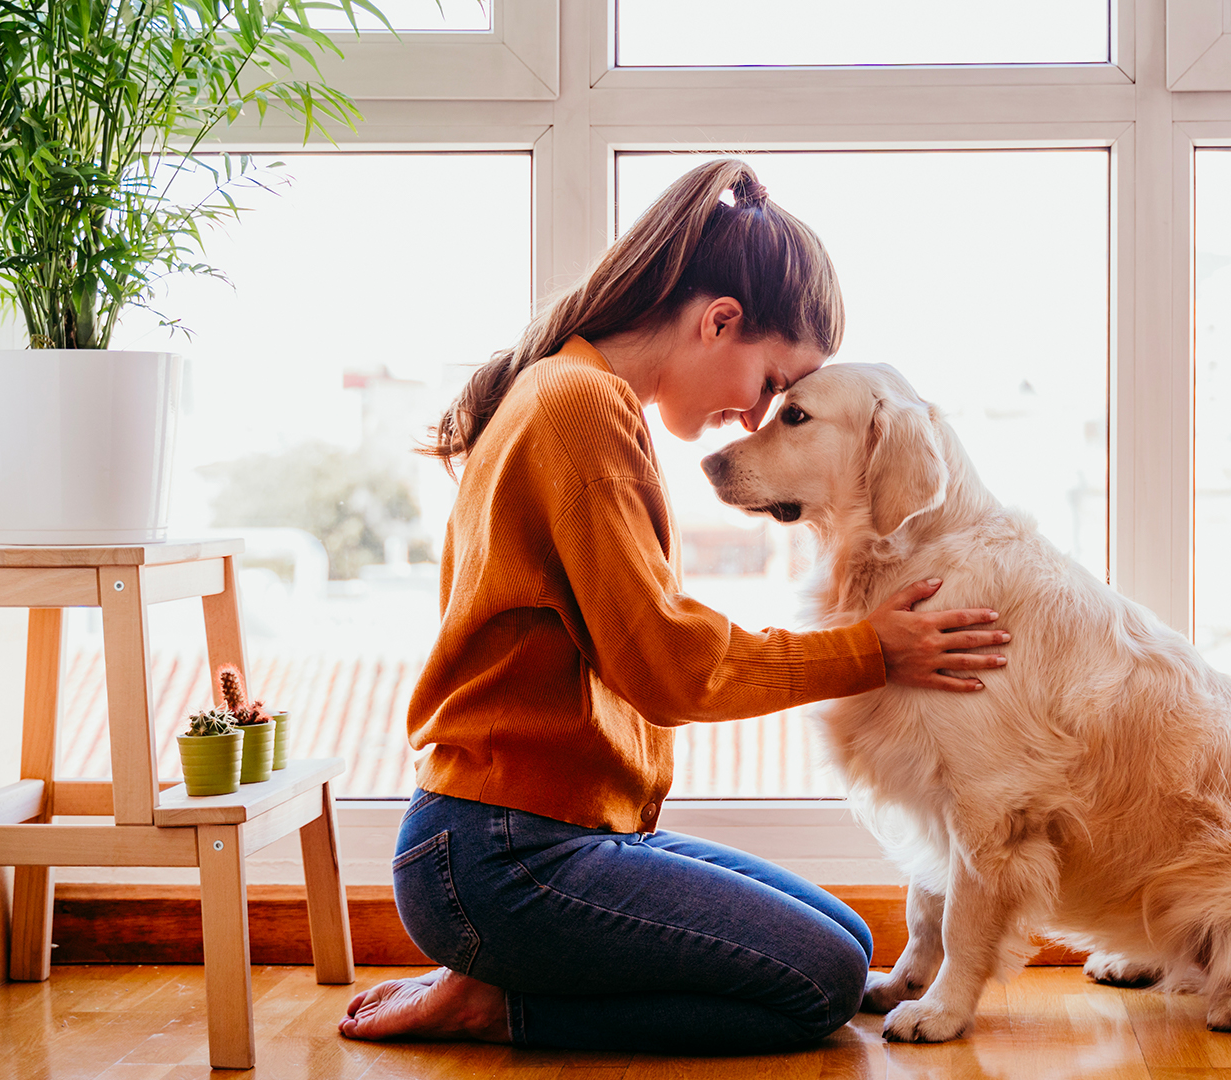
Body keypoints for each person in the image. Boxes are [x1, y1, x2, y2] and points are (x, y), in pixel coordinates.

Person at [337, 159, 1009, 1054]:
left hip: (548, 837)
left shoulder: (579, 394)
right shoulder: (577, 408)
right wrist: (870, 650)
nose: (755, 415)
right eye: (772, 383)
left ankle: (501, 970)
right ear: (718, 320)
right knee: (819, 984)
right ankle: (498, 1003)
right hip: (498, 854)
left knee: (848, 944)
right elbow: (668, 666)